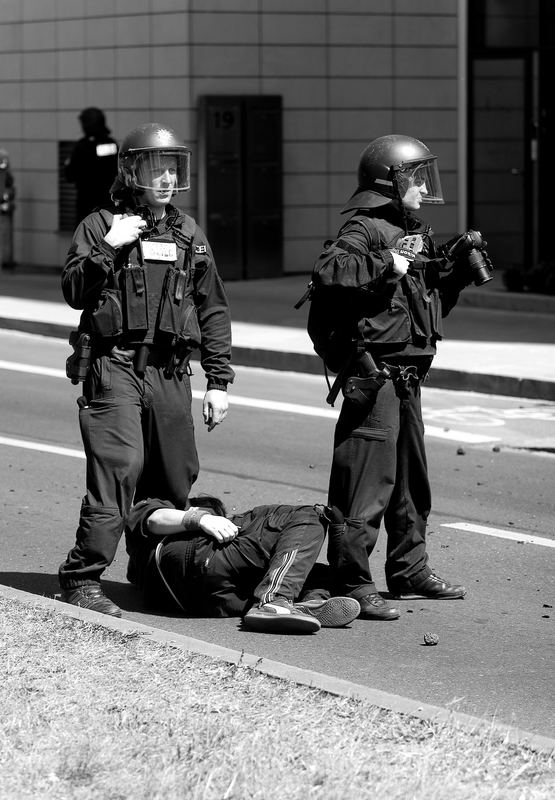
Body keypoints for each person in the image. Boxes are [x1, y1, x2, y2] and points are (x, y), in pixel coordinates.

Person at [59, 122, 234, 617]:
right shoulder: (100, 224)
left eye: (173, 167)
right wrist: (109, 245)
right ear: (132, 170)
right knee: (120, 468)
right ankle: (83, 576)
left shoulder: (187, 231)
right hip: (115, 366)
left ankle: (149, 565)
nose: (165, 178)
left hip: (171, 372)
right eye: (156, 167)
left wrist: (218, 382)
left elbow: (212, 309)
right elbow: (73, 290)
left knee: (174, 476)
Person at [311, 134, 473, 621]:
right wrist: (386, 262)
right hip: (374, 375)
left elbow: (421, 305)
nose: (424, 188)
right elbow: (330, 269)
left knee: (410, 482)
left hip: (408, 374)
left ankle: (409, 568)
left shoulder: (413, 228)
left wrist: (454, 273)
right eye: (416, 179)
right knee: (366, 482)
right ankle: (352, 581)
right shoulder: (364, 228)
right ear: (390, 180)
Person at [126, 494, 361, 634]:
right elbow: (153, 518)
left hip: (207, 602)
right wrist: (202, 517)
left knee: (307, 571)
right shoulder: (174, 513)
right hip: (198, 559)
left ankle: (306, 602)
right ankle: (275, 601)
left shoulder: (141, 568)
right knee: (310, 515)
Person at [64, 107, 118, 222]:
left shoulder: (83, 147)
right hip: (108, 205)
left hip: (87, 205)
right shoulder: (111, 144)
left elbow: (69, 175)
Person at [0, 148, 15, 270]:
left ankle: (6, 259)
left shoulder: (6, 175)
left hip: (3, 205)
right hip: (3, 204)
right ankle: (5, 259)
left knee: (5, 233)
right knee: (5, 233)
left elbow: (9, 186)